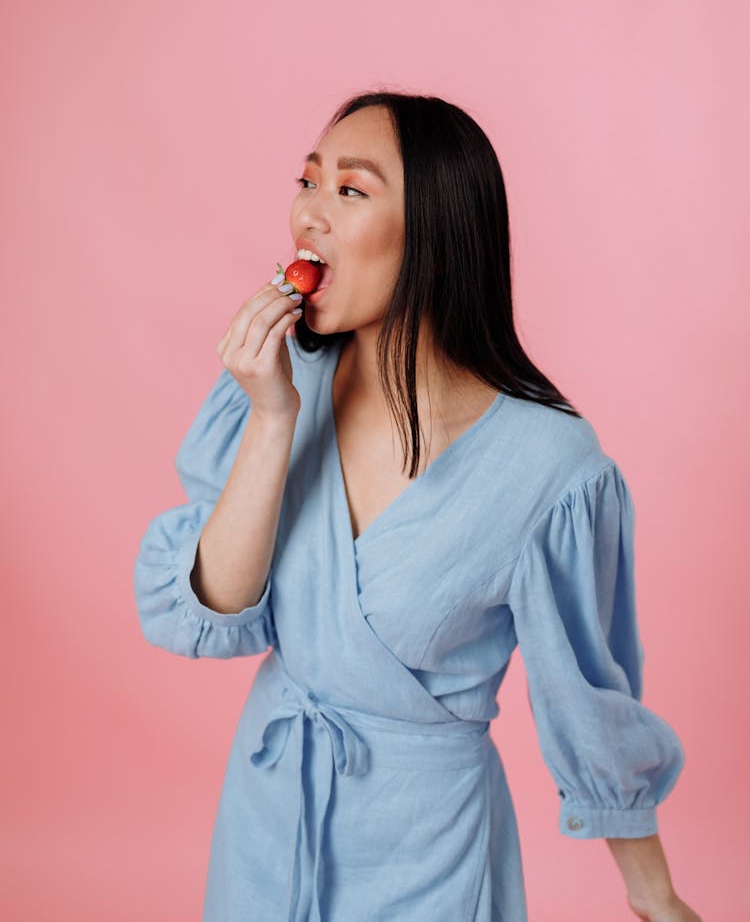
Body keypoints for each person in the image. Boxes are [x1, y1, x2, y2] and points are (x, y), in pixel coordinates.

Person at [134, 91, 701, 921]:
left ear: (435, 243)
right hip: (266, 821)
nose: (308, 214)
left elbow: (589, 698)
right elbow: (207, 614)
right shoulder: (284, 388)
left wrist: (655, 894)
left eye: (351, 191)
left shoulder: (549, 468)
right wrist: (272, 417)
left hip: (424, 853)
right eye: (308, 180)